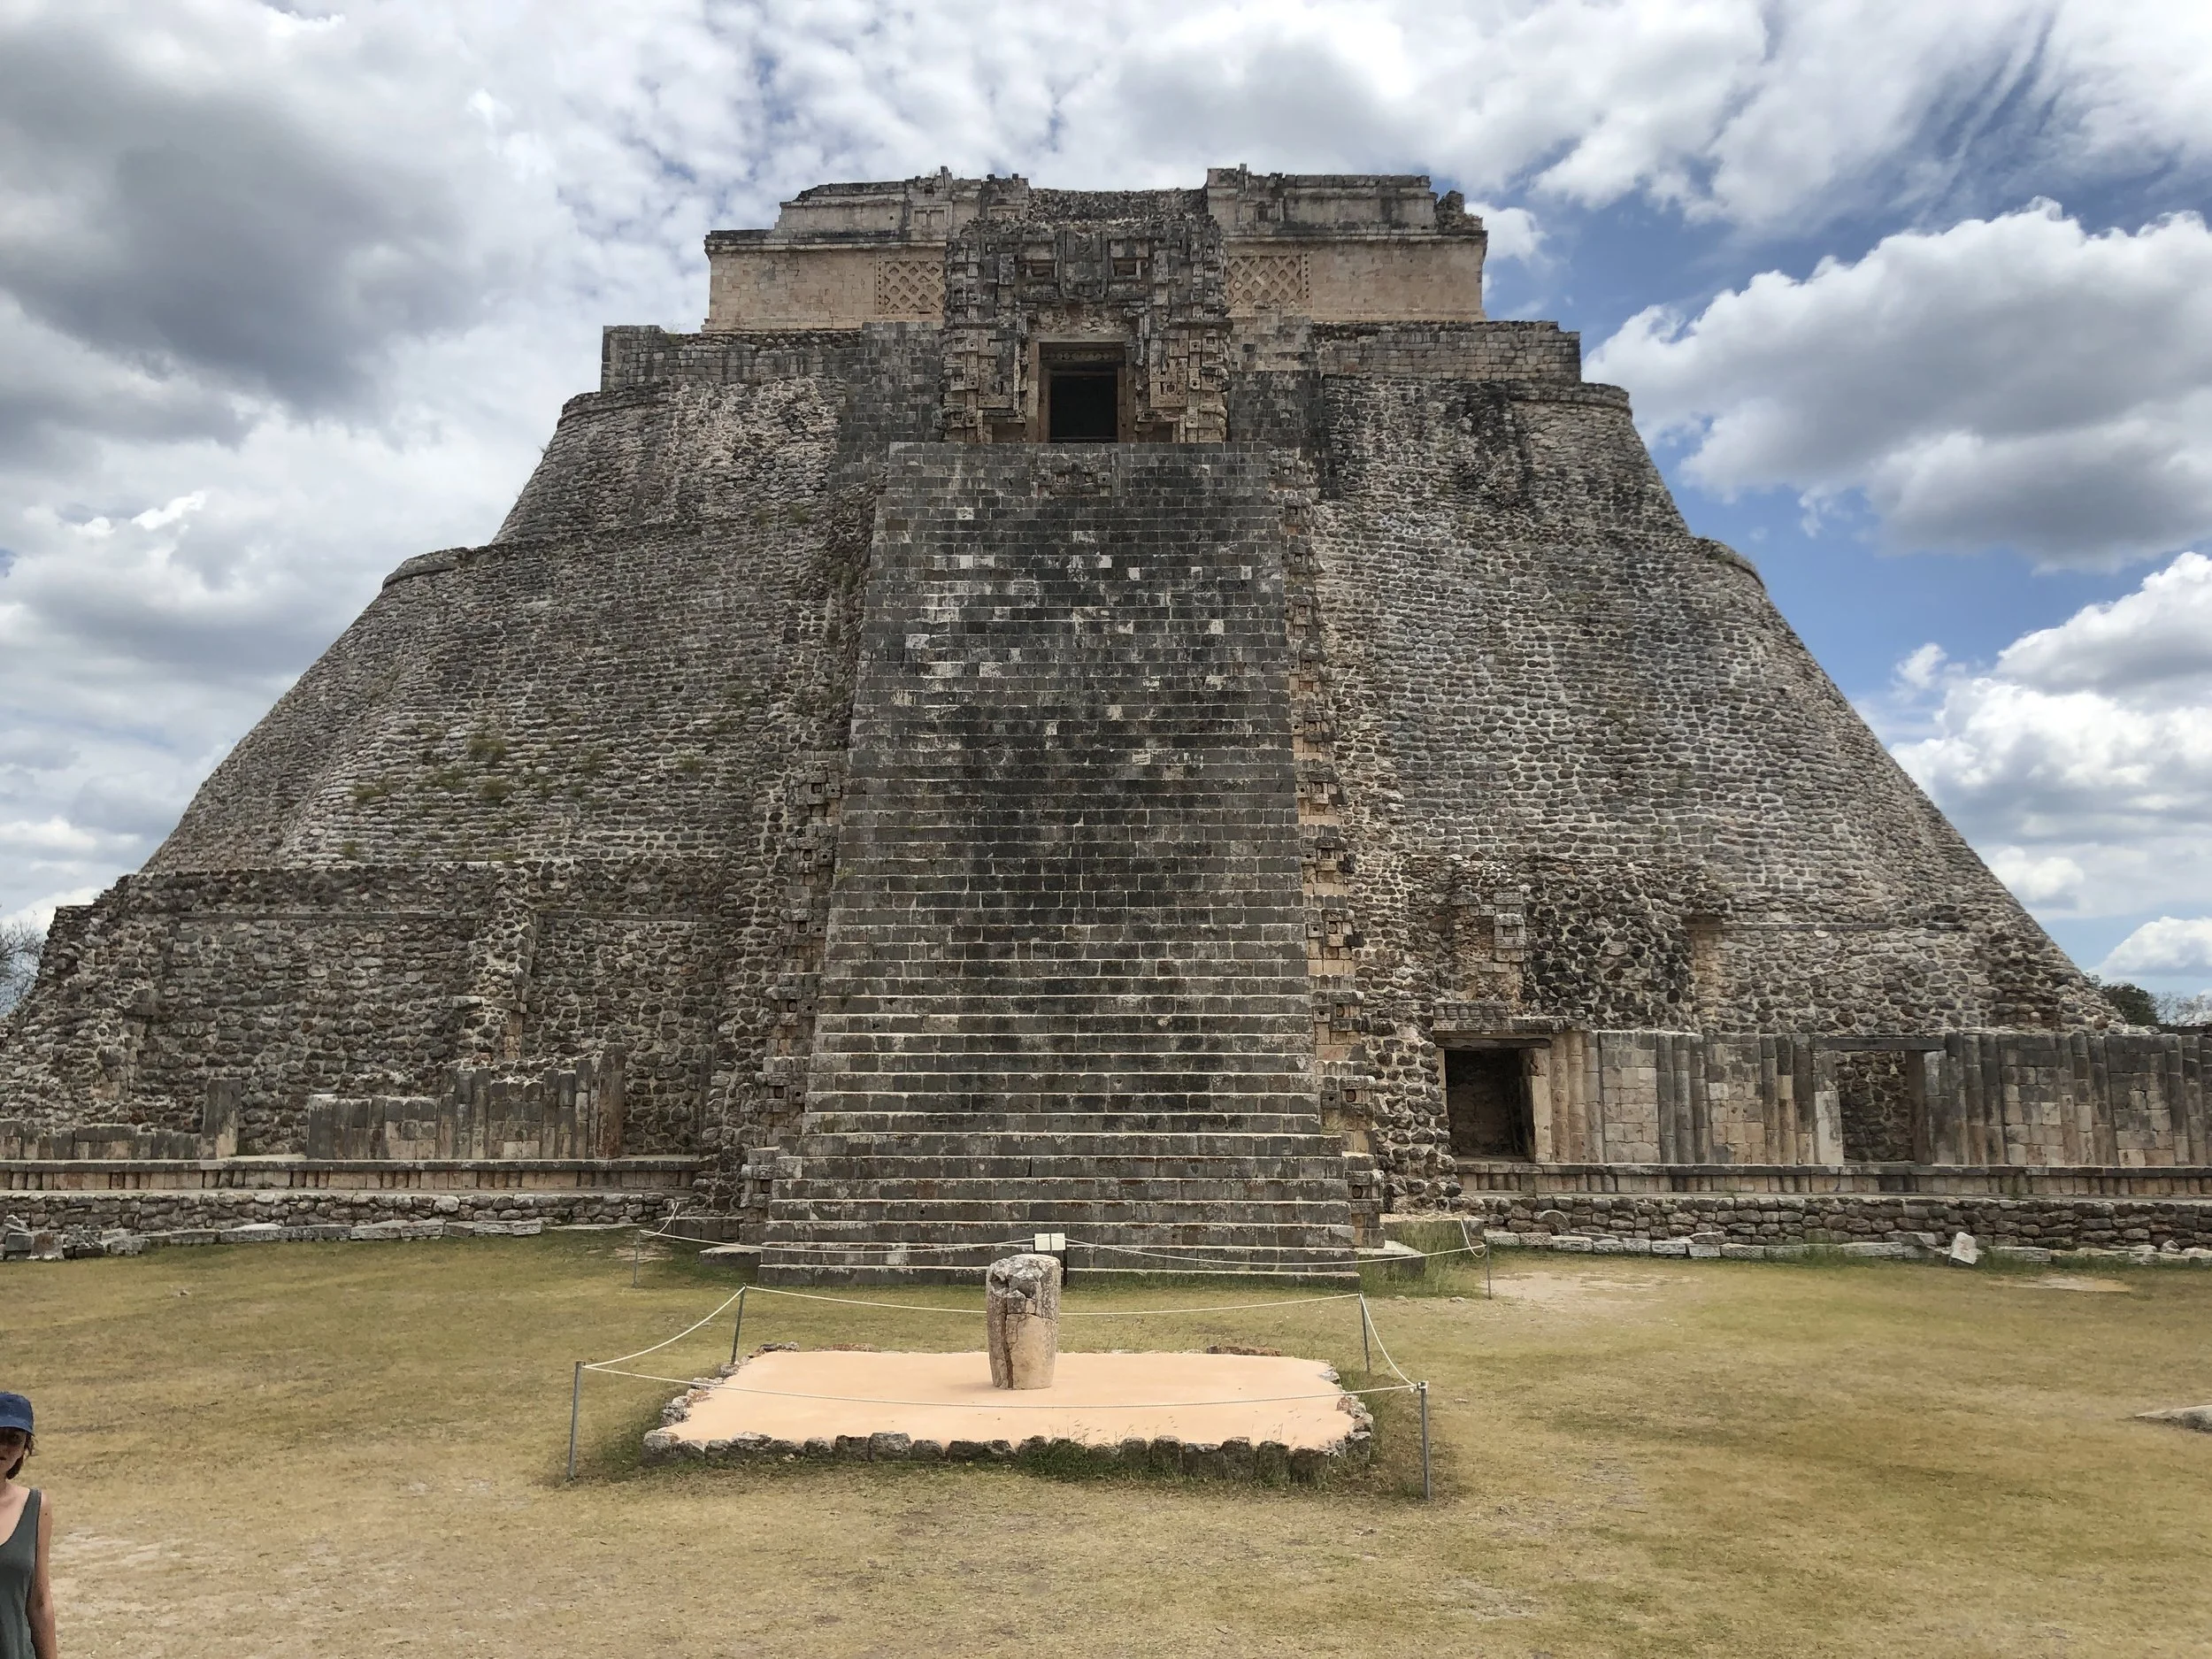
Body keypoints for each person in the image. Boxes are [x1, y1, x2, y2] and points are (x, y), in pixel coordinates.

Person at [0, 1392, 54, 1659]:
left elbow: (40, 1602)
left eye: (14, 1439)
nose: (3, 1447)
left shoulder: (35, 1507)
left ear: (25, 1448)